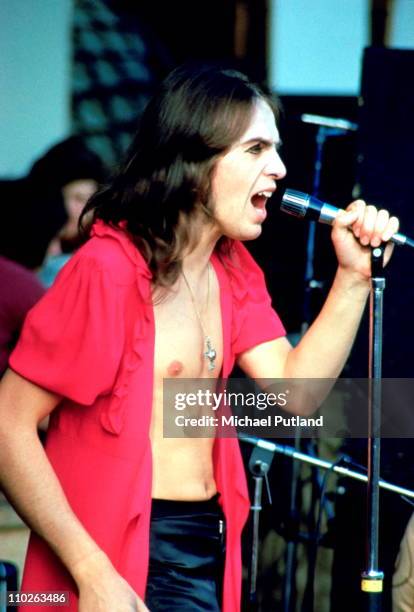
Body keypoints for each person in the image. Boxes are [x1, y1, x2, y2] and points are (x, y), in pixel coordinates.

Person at [0, 64, 399, 612]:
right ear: (194, 160)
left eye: (276, 150)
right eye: (256, 149)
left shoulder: (231, 270)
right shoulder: (108, 270)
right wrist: (90, 570)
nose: (280, 169)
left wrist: (353, 278)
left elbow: (297, 394)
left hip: (207, 543)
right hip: (113, 553)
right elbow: (7, 422)